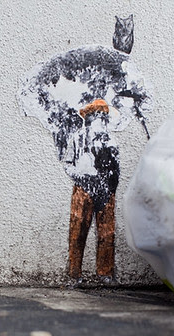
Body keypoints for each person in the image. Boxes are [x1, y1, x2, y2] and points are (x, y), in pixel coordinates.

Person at [65, 99, 119, 283]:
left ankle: (105, 273)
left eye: (104, 116)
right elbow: (68, 164)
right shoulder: (78, 138)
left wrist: (109, 189)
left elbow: (116, 167)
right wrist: (80, 176)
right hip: (83, 189)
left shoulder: (110, 140)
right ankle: (74, 274)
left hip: (105, 189)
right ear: (90, 117)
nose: (102, 120)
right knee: (77, 231)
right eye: (98, 116)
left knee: (107, 233)